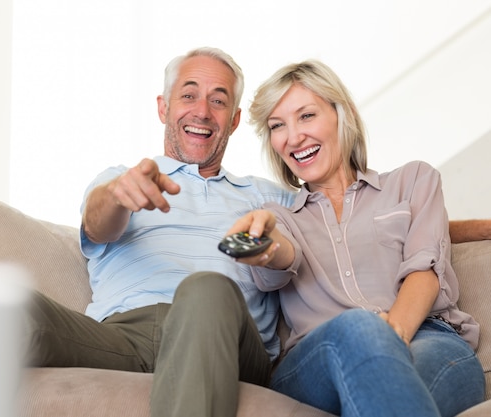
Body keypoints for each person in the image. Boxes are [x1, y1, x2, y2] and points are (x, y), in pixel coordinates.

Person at [25, 46, 296, 417]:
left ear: (233, 121)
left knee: (206, 288)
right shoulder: (122, 179)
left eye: (218, 101)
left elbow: (326, 230)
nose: (202, 111)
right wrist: (119, 196)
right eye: (188, 95)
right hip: (122, 338)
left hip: (224, 336)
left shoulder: (270, 196)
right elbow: (96, 224)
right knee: (8, 307)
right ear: (163, 107)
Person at [226, 59, 486, 417]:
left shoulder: (412, 181)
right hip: (318, 359)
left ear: (341, 114)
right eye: (277, 126)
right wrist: (265, 245)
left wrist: (386, 339)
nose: (293, 136)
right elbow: (282, 256)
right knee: (356, 328)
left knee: (391, 380)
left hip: (429, 338)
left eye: (306, 116)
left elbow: (423, 269)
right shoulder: (281, 216)